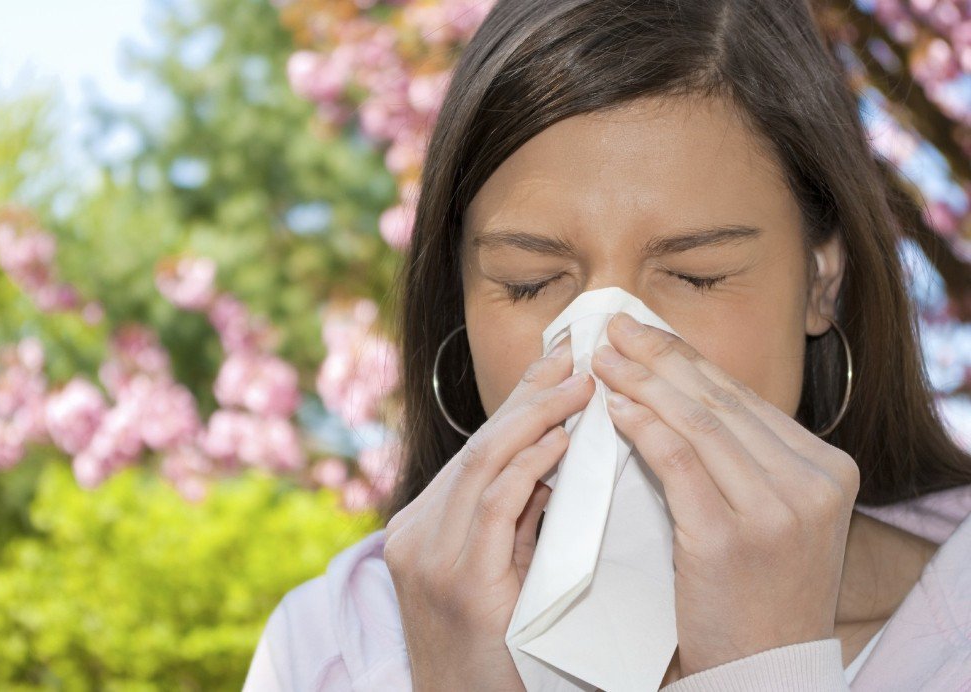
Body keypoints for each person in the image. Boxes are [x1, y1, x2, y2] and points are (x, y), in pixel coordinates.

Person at [243, 0, 971, 689]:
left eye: (696, 275)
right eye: (529, 283)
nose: (608, 347)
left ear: (821, 281)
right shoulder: (332, 648)